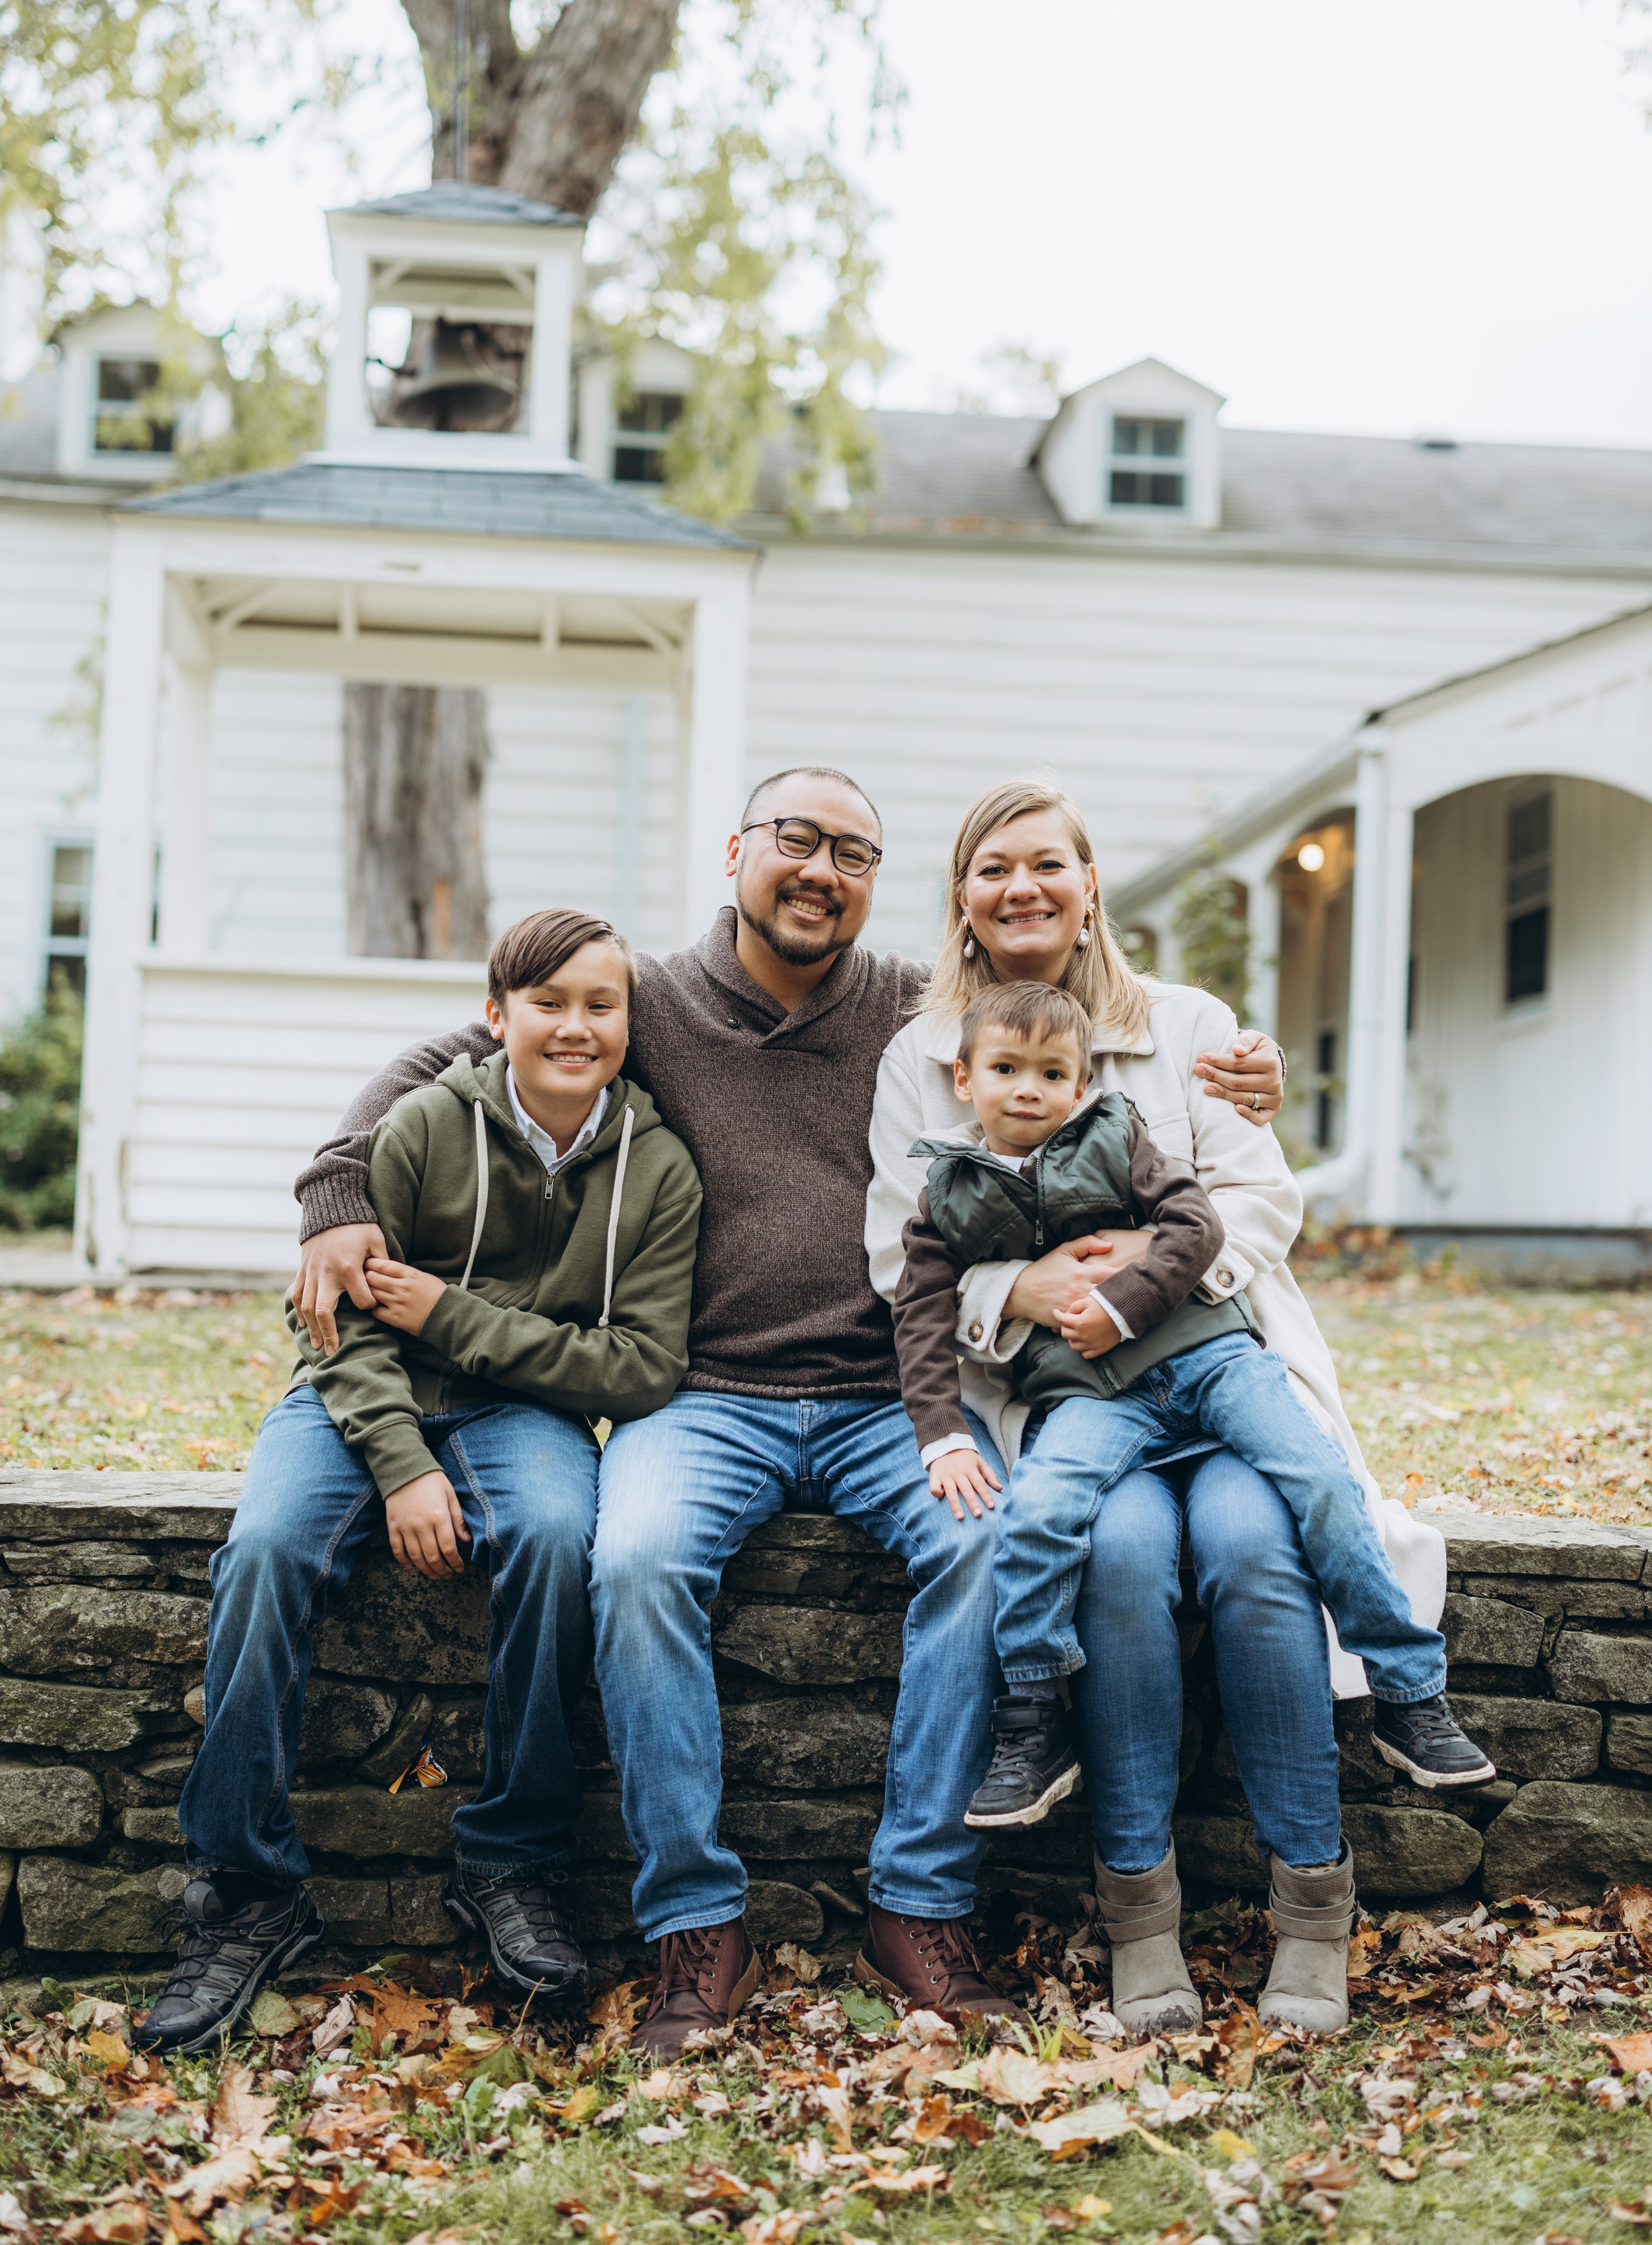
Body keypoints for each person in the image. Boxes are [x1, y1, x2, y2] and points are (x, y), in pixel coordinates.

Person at [286, 766, 1290, 2058]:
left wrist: (1244, 1067)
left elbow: (1082, 1030)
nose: (820, 870)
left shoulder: (919, 1010)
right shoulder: (650, 999)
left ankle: (918, 1906)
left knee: (986, 1543)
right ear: (737, 851)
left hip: (890, 1396)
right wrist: (335, 1191)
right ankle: (695, 1924)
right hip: (703, 1396)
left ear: (878, 882)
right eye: (795, 840)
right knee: (634, 1560)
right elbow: (459, 1049)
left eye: (852, 853)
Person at [866, 778, 1455, 2038]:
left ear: (1089, 890)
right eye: (991, 868)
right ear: (961, 900)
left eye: (1047, 864)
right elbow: (894, 1256)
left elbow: (1256, 1203)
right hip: (1062, 1389)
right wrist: (1022, 1288)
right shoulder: (920, 1058)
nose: (1021, 888)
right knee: (1121, 1557)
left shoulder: (1190, 1027)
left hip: (1212, 1365)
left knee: (1255, 1548)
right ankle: (1140, 1916)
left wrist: (1142, 1278)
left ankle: (1313, 1907)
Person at [137, 910, 701, 2055]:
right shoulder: (423, 1125)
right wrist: (402, 1468)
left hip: (522, 1410)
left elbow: (643, 1368)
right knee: (264, 1553)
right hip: (355, 1394)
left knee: (557, 1538)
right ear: (496, 1017)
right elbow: (337, 1321)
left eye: (601, 1005)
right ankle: (247, 1890)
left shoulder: (660, 1170)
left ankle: (512, 1860)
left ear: (630, 1023)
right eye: (548, 1003)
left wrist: (456, 1318)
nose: (576, 1026)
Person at [892, 979, 1491, 1838]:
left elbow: (1197, 1224)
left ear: (1081, 1084)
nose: (1029, 1090)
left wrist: (1124, 1303)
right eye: (1006, 1069)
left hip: (1210, 1358)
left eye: (1053, 1074)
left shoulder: (1117, 1133)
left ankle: (1407, 1689)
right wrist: (943, 1434)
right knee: (1038, 1511)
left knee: (1320, 1479)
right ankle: (1034, 1714)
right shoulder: (945, 1192)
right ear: (964, 1079)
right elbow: (920, 1317)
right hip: (1093, 1396)